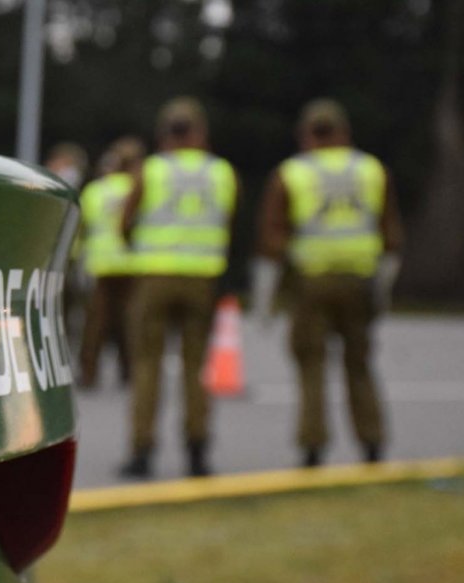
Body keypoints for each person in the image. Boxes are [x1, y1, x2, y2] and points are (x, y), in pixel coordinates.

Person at [255, 98, 404, 467]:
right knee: (360, 363)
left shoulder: (292, 173)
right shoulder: (371, 170)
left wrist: (265, 300)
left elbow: (272, 239)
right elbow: (390, 236)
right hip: (359, 279)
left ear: (306, 134)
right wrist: (383, 290)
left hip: (312, 281)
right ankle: (372, 442)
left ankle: (312, 445)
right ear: (345, 132)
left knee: (311, 364)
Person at [120, 97, 239, 478]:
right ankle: (197, 450)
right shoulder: (221, 172)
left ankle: (142, 452)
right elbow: (228, 222)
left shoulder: (150, 170)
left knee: (147, 365)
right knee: (195, 368)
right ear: (201, 133)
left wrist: (140, 250)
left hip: (154, 276)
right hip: (202, 278)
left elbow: (125, 222)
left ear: (164, 134)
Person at [77, 137, 145, 388]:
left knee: (95, 324)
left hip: (101, 264)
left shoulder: (95, 191)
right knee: (129, 321)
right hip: (133, 263)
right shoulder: (138, 188)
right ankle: (130, 372)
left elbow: (82, 227)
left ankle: (88, 373)